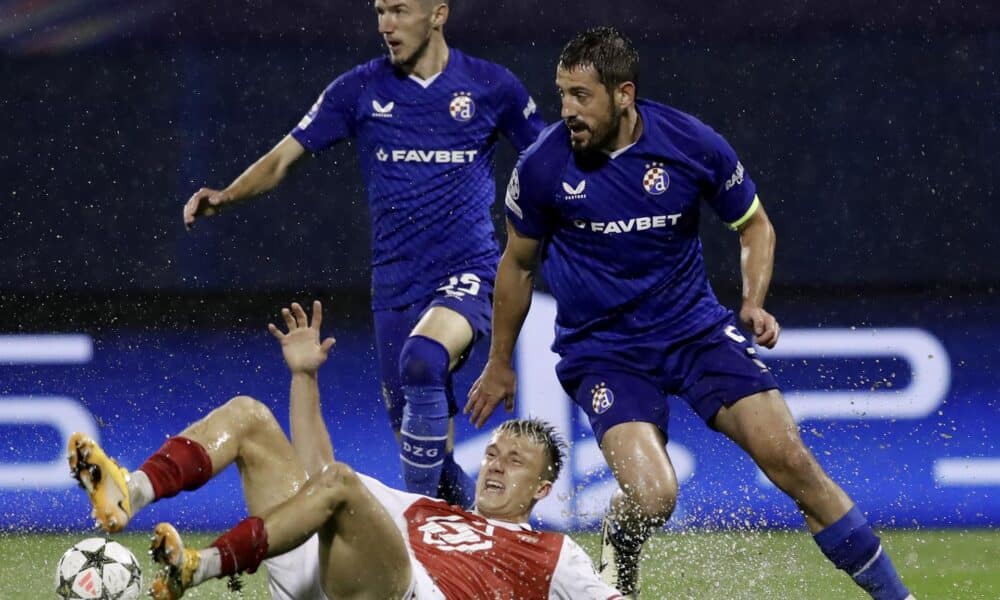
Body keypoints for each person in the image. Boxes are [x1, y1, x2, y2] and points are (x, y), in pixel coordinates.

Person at [466, 27, 915, 600]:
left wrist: (752, 301)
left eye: (582, 96)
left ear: (623, 94)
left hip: (695, 332)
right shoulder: (542, 167)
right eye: (562, 95)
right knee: (653, 497)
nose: (567, 111)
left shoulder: (690, 144)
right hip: (604, 352)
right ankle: (622, 536)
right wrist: (500, 360)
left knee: (792, 461)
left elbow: (754, 224)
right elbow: (517, 267)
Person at [181, 0, 545, 507]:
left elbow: (548, 162)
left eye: (399, 11)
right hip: (395, 288)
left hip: (468, 272)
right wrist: (226, 195)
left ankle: (413, 532)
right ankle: (482, 536)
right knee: (431, 465)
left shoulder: (492, 87)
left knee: (423, 358)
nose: (385, 26)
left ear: (437, 14)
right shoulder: (359, 89)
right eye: (379, 12)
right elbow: (286, 156)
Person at [68, 300, 622, 600]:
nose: (497, 465)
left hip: (401, 594)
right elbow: (317, 479)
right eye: (495, 452)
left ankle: (203, 565)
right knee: (248, 416)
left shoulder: (554, 555)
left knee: (340, 483)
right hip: (336, 584)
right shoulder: (427, 512)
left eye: (516, 461)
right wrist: (305, 378)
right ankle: (130, 491)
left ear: (544, 488)